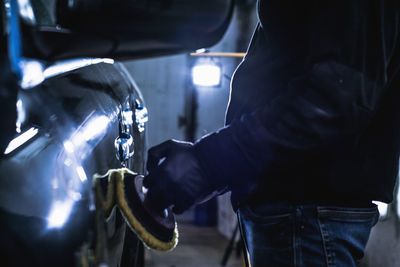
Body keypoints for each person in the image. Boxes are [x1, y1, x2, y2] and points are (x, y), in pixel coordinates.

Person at [143, 1, 400, 266]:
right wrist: (214, 167)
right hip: (295, 210)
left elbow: (336, 99)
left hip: (305, 210)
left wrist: (209, 162)